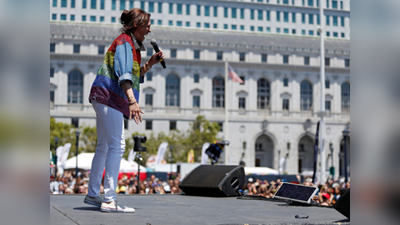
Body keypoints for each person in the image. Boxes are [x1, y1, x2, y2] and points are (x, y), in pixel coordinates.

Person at [83, 8, 164, 213]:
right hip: (110, 98)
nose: (149, 30)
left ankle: (93, 194)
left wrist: (148, 64)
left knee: (103, 146)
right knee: (117, 145)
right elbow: (124, 75)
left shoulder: (129, 44)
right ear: (136, 25)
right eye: (147, 25)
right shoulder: (125, 43)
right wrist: (132, 101)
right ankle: (109, 200)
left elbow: (133, 74)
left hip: (103, 96)